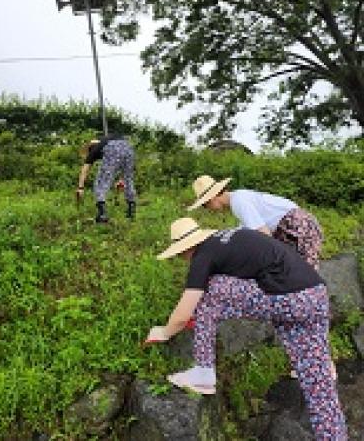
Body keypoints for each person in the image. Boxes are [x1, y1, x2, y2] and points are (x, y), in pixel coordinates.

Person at [146, 218, 347, 441]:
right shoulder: (230, 239)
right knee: (320, 388)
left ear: (185, 249)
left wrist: (163, 332)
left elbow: (183, 313)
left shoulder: (203, 255)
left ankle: (203, 372)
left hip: (289, 299)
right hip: (316, 296)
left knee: (211, 288)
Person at [188, 175, 323, 269]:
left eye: (205, 205)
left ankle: (317, 307)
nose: (208, 209)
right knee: (295, 269)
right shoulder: (239, 197)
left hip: (298, 226)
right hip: (293, 225)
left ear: (212, 198)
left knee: (304, 273)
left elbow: (264, 235)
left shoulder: (239, 202)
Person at [76, 133, 136, 222]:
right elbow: (119, 161)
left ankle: (102, 214)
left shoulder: (93, 151)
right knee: (128, 180)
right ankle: (131, 212)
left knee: (100, 183)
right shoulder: (105, 140)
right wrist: (121, 179)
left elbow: (85, 170)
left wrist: (80, 188)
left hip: (112, 148)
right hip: (128, 147)